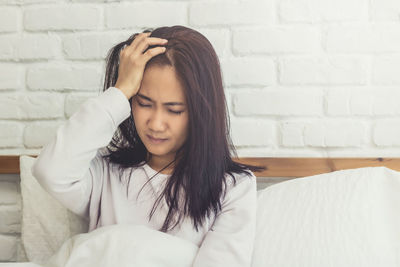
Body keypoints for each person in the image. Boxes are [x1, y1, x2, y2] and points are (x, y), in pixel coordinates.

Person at [32, 25, 264, 267]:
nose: (155, 124)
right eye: (143, 103)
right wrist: (120, 91)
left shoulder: (233, 188)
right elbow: (50, 172)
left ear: (200, 112)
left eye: (174, 110)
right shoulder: (106, 175)